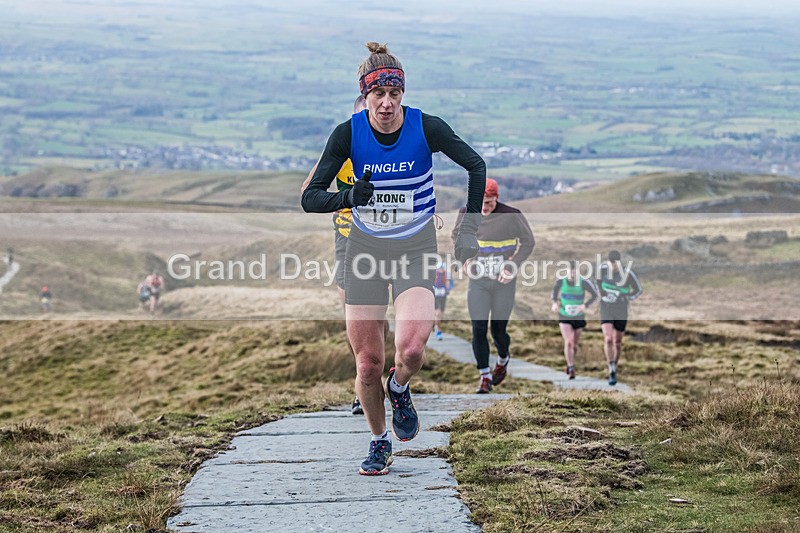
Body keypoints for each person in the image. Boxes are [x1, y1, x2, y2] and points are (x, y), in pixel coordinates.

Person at [302, 42, 485, 475]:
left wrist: (469, 230)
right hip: (365, 251)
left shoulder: (427, 128)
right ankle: (379, 441)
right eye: (377, 95)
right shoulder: (347, 134)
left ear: (403, 94)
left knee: (412, 347)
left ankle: (400, 387)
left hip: (414, 248)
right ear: (365, 96)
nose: (386, 104)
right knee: (367, 363)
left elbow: (476, 166)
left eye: (394, 95)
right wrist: (349, 197)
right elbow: (310, 197)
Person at [302, 96, 369, 416]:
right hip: (346, 238)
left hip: (382, 239)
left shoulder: (390, 148)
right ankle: (363, 382)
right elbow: (308, 192)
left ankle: (377, 377)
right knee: (353, 316)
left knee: (377, 318)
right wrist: (346, 199)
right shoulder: (341, 148)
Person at [452, 178, 534, 394]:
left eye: (488, 203)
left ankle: (503, 359)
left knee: (498, 331)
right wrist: (464, 258)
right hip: (479, 281)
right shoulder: (467, 212)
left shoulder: (511, 215)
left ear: (497, 198)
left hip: (503, 282)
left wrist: (512, 266)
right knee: (478, 328)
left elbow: (528, 242)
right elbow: (457, 236)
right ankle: (485, 377)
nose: (484, 208)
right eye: (481, 202)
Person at [597, 250, 643, 385]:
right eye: (611, 263)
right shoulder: (602, 270)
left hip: (621, 309)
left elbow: (638, 290)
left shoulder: (627, 273)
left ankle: (615, 366)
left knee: (617, 341)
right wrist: (601, 292)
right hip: (606, 307)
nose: (613, 266)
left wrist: (626, 297)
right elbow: (597, 283)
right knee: (608, 338)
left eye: (615, 263)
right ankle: (610, 367)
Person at [550, 261, 599, 379]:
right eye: (570, 271)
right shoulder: (561, 281)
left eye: (574, 271)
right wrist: (555, 303)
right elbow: (554, 293)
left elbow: (595, 295)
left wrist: (585, 306)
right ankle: (571, 366)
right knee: (569, 341)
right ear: (566, 271)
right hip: (564, 315)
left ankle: (570, 361)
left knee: (575, 345)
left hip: (578, 316)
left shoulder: (584, 282)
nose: (572, 274)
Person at [432, 258, 454, 340]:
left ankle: (436, 326)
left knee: (440, 314)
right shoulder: (434, 274)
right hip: (435, 296)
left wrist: (448, 290)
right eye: (439, 269)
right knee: (437, 313)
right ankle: (438, 330)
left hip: (443, 296)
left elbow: (451, 283)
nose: (441, 270)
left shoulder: (446, 274)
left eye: (442, 268)